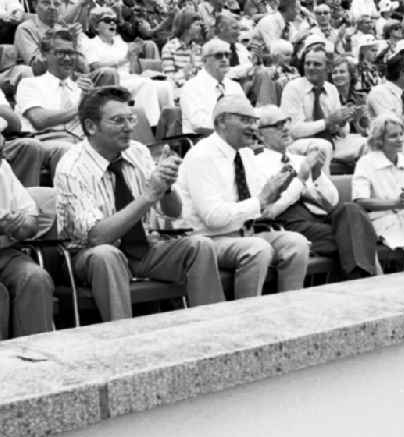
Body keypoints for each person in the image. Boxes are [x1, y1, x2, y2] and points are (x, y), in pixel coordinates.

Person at [55, 86, 225, 322]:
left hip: (144, 248)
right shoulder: (72, 168)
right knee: (107, 255)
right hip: (88, 256)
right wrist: (147, 196)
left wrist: (165, 186)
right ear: (91, 127)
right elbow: (96, 237)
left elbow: (173, 213)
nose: (129, 127)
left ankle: (211, 328)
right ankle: (124, 339)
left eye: (130, 118)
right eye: (118, 121)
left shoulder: (138, 151)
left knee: (200, 246)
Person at [176, 96, 311, 297]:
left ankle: (288, 313)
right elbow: (213, 218)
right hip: (208, 239)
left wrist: (277, 190)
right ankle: (247, 319)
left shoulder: (245, 154)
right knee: (258, 249)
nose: (253, 127)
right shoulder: (201, 156)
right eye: (245, 120)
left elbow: (261, 207)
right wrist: (261, 200)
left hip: (244, 233)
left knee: (296, 243)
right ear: (222, 122)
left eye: (254, 121)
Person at [254, 105, 379, 279]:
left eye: (286, 122)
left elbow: (333, 201)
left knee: (351, 210)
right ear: (260, 134)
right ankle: (364, 280)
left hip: (318, 217)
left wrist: (317, 174)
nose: (285, 128)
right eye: (276, 125)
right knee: (356, 237)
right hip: (288, 222)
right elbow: (270, 208)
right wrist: (301, 179)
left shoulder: (300, 159)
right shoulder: (256, 164)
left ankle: (358, 279)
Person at [352, 114, 404, 269]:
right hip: (377, 219)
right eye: (393, 136)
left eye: (401, 134)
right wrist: (395, 203)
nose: (400, 139)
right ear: (379, 140)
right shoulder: (365, 163)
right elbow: (360, 201)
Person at [16, 28, 95, 177]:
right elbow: (40, 120)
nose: (67, 58)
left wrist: (93, 101)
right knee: (69, 150)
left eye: (71, 53)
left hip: (81, 139)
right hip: (46, 142)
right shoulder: (29, 84)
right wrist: (81, 106)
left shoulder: (81, 88)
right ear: (45, 55)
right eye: (60, 53)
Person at [0, 125, 54, 339]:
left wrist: (21, 226)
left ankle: (35, 358)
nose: (3, 139)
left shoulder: (3, 167)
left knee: (35, 278)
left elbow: (30, 218)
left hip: (4, 252)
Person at [180, 38, 247, 134]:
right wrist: (233, 128)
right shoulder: (191, 87)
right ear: (204, 60)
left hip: (235, 142)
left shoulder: (235, 86)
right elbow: (199, 124)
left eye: (227, 55)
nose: (224, 59)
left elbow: (247, 116)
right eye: (218, 56)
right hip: (202, 142)